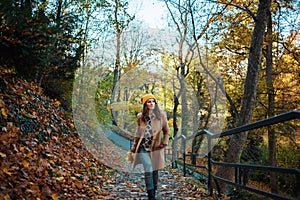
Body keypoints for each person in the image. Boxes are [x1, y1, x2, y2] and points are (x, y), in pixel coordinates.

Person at [130, 93, 170, 200]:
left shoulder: (161, 115)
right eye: (149, 102)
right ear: (145, 104)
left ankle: (154, 190)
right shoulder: (140, 117)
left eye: (153, 101)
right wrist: (134, 148)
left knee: (155, 171)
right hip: (143, 148)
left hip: (156, 148)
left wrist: (164, 143)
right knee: (148, 168)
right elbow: (138, 133)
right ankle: (151, 196)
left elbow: (167, 132)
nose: (151, 103)